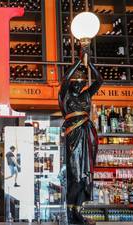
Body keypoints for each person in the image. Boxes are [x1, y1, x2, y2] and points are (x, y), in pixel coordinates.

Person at [58, 59, 103, 225]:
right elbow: (64, 80)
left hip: (86, 136)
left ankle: (78, 209)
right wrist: (78, 62)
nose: (79, 84)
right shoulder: (65, 94)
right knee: (75, 174)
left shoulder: (86, 95)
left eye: (82, 81)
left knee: (85, 176)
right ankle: (70, 212)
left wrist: (89, 63)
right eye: (76, 81)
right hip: (72, 135)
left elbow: (100, 81)